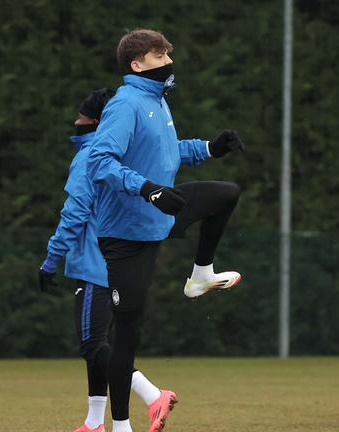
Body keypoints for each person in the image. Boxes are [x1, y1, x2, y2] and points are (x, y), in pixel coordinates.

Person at [86, 29, 245, 432]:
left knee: (226, 194)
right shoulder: (125, 104)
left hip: (159, 213)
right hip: (124, 233)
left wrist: (211, 147)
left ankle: (200, 275)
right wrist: (147, 189)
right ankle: (120, 426)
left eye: (168, 53)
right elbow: (99, 162)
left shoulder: (157, 100)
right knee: (128, 333)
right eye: (160, 55)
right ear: (137, 65)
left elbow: (169, 151)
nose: (169, 61)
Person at [38, 88, 171, 432]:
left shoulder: (88, 156)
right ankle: (95, 423)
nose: (75, 121)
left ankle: (153, 394)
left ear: (96, 121)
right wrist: (204, 149)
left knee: (92, 343)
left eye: (82, 116)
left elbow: (75, 212)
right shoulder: (125, 153)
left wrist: (51, 260)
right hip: (117, 262)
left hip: (94, 267)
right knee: (102, 344)